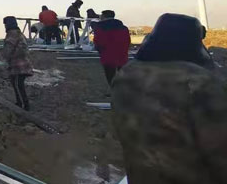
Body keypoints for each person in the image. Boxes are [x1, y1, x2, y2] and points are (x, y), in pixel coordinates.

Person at [112, 14, 227, 183]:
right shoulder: (199, 82)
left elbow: (121, 129)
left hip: (142, 174)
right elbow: (219, 147)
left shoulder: (125, 74)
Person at [1, 16, 33, 110]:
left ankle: (23, 105)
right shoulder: (19, 33)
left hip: (19, 65)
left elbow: (8, 50)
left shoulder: (12, 35)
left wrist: (4, 57)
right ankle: (20, 103)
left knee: (17, 85)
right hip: (22, 64)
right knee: (17, 84)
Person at [92, 10, 130, 86]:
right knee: (122, 74)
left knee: (110, 74)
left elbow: (98, 41)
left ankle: (114, 90)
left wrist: (99, 49)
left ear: (104, 16)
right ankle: (123, 90)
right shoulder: (123, 27)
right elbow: (127, 40)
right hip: (122, 54)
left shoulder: (100, 27)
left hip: (107, 54)